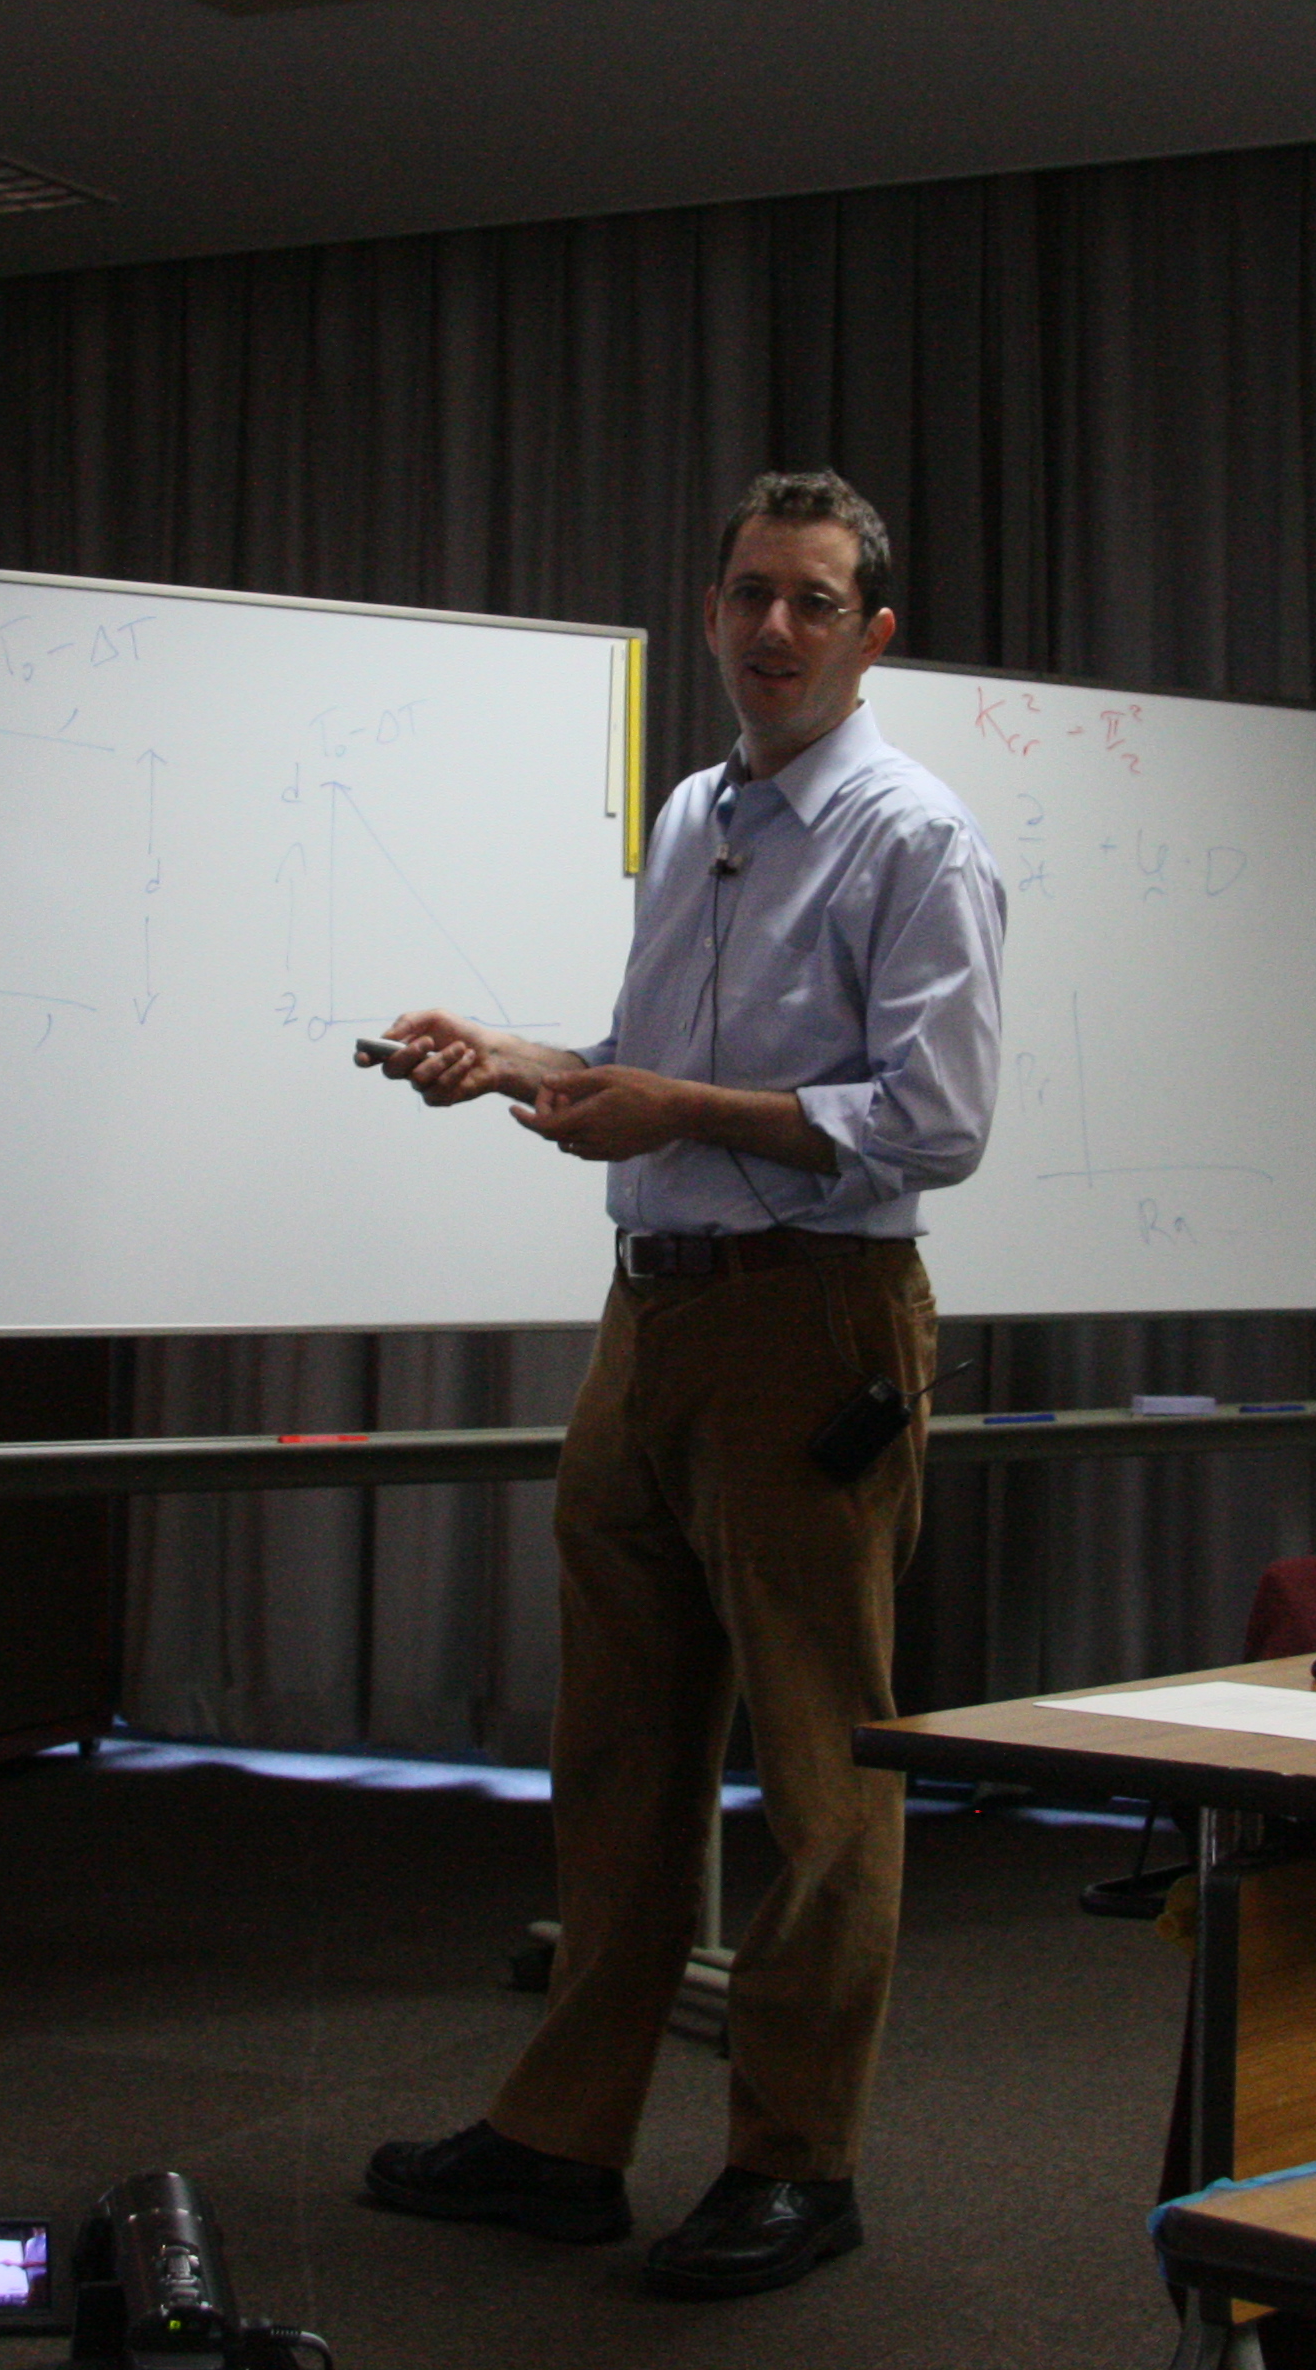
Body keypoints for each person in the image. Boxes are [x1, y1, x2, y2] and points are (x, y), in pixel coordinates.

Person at [359, 471, 1004, 2299]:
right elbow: (653, 1065)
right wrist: (514, 1057)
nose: (772, 630)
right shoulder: (698, 811)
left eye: (813, 602)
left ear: (873, 635)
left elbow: (936, 1122)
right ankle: (564, 2140)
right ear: (711, 612)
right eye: (747, 594)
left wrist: (675, 1111)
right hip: (649, 1319)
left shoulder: (913, 836)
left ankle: (796, 2164)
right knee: (620, 1748)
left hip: (813, 1327)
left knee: (820, 1765)